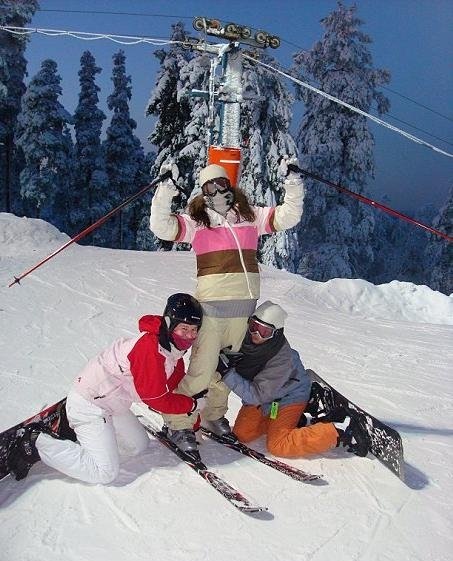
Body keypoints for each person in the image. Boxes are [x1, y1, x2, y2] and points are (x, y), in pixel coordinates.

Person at [149, 158, 304, 453]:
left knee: (226, 372)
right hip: (211, 312)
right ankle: (178, 423)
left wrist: (293, 183)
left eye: (221, 183)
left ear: (229, 184)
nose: (217, 190)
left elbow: (288, 216)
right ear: (203, 192)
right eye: (209, 187)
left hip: (243, 313)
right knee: (201, 371)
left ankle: (212, 415)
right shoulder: (197, 223)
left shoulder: (250, 217)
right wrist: (165, 189)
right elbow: (161, 227)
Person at [7, 293, 207, 484]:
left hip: (114, 404)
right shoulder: (149, 347)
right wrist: (192, 405)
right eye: (184, 328)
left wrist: (193, 419)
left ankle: (90, 438)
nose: (189, 335)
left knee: (139, 446)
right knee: (104, 473)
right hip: (90, 403)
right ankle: (35, 442)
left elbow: (173, 389)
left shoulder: (173, 351)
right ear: (170, 324)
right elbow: (156, 399)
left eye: (194, 330)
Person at [215, 301, 370, 458]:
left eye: (264, 331)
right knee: (243, 434)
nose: (256, 334)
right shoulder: (243, 339)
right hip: (269, 397)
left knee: (278, 445)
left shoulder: (282, 359)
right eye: (254, 326)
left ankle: (338, 429)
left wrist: (227, 373)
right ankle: (293, 421)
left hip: (288, 396)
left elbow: (257, 396)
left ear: (275, 333)